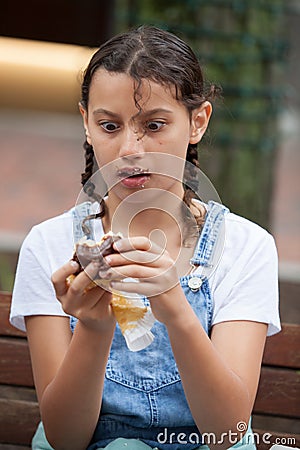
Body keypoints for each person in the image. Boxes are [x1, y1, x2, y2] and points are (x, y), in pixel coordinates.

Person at [10, 25, 280, 450]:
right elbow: (65, 438)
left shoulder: (247, 247)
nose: (130, 149)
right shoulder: (48, 245)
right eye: (109, 126)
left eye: (154, 125)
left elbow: (226, 433)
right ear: (86, 123)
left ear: (197, 122)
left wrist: (174, 308)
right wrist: (94, 328)